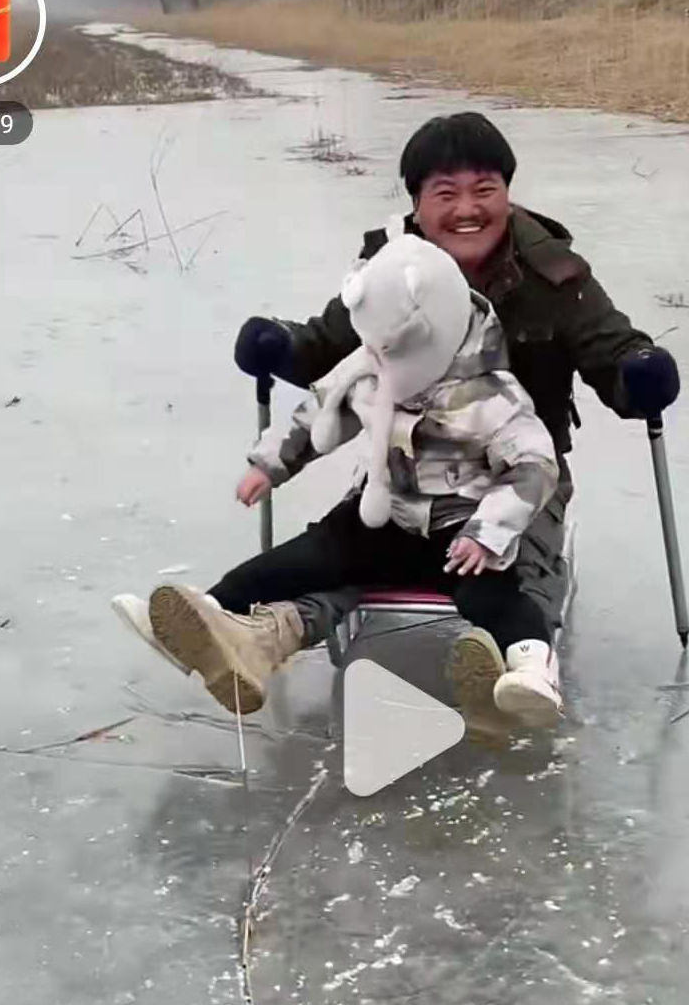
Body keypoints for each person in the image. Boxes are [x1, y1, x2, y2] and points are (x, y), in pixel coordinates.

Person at [227, 113, 679, 664]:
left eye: (484, 190)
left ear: (507, 193)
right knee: (348, 549)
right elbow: (330, 347)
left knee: (513, 560)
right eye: (446, 193)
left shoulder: (554, 275)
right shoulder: (392, 271)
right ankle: (281, 628)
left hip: (521, 470)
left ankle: (510, 659)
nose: (467, 210)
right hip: (405, 465)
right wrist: (279, 345)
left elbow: (610, 348)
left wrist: (638, 371)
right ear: (417, 203)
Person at [116, 225, 566, 726]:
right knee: (304, 557)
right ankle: (204, 618)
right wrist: (270, 463)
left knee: (495, 597)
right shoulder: (371, 364)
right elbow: (320, 410)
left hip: (458, 531)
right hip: (381, 515)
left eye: (387, 353)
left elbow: (534, 466)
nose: (377, 363)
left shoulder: (492, 396)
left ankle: (531, 668)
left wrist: (487, 533)